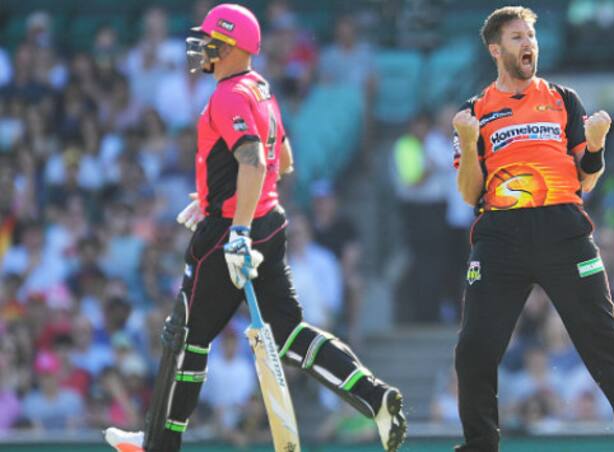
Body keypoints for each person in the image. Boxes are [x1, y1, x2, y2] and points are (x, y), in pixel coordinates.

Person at [103, 5, 406, 452]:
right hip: (269, 222)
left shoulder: (227, 95)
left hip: (230, 234)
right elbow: (283, 160)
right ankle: (374, 397)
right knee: (290, 334)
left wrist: (235, 226)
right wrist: (213, 194)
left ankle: (159, 443)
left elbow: (255, 159)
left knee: (185, 337)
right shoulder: (260, 88)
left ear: (229, 47)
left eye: (210, 40)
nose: (202, 47)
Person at [450, 6, 614, 452]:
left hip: (562, 229)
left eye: (530, 36)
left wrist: (595, 145)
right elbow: (467, 192)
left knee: (605, 348)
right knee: (474, 350)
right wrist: (471, 144)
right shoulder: (475, 112)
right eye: (516, 38)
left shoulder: (562, 99)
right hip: (500, 234)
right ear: (496, 49)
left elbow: (587, 178)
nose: (527, 44)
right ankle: (480, 446)